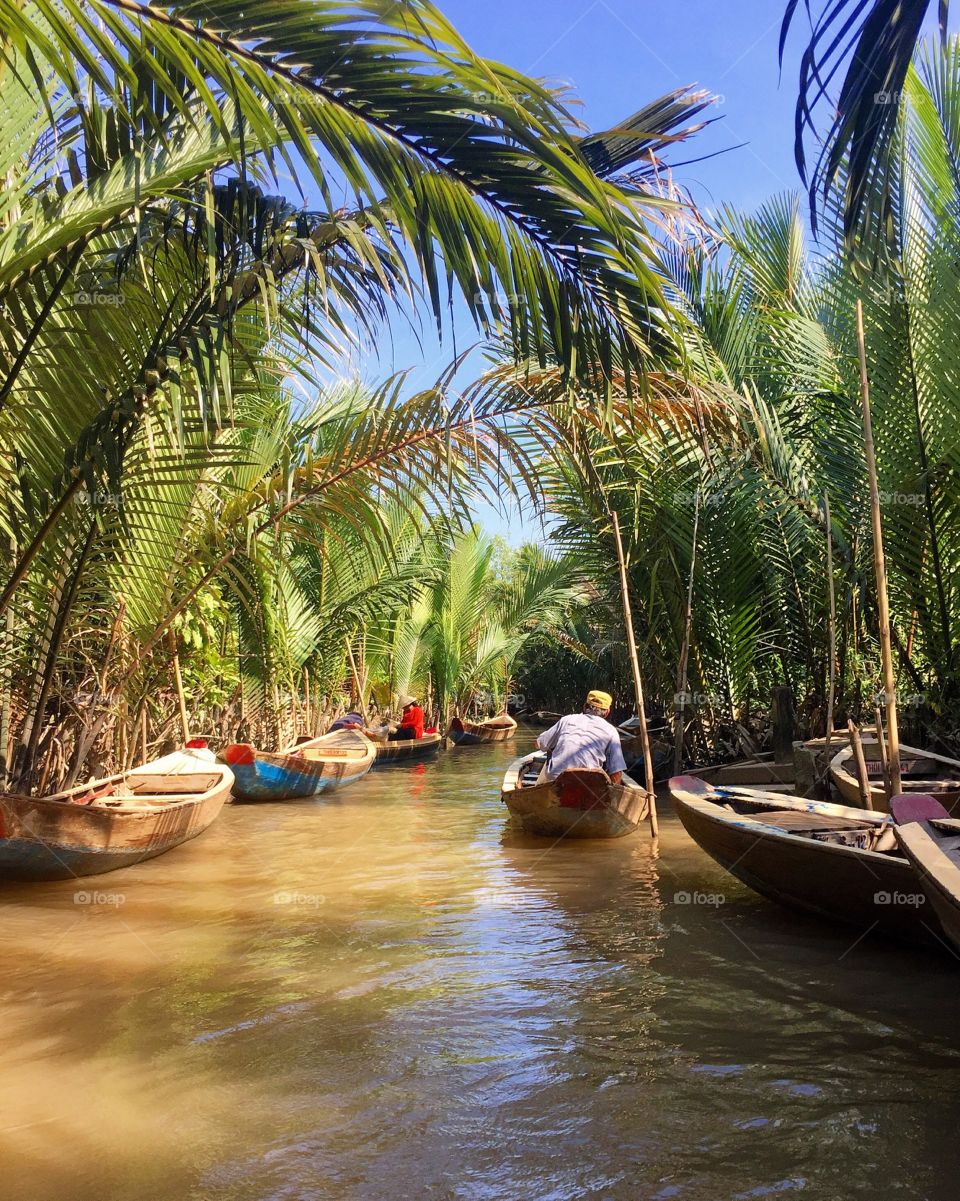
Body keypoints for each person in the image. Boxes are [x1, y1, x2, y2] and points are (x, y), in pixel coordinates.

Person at [535, 690, 626, 783]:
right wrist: (612, 790)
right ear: (607, 712)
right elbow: (616, 770)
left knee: (549, 754)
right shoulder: (611, 730)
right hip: (589, 783)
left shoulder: (566, 720)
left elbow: (539, 744)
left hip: (556, 780)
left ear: (584, 706)